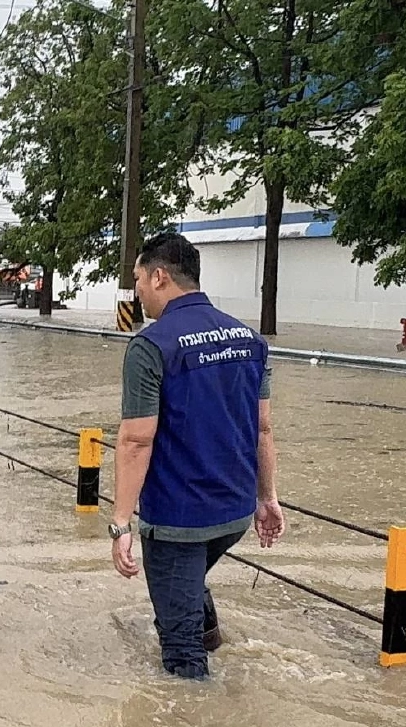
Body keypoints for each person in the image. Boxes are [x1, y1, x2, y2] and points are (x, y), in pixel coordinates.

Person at [110, 232, 284, 679]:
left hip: (178, 519)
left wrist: (121, 524)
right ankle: (209, 633)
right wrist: (268, 498)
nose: (138, 292)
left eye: (139, 280)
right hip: (234, 514)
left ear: (160, 276)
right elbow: (262, 427)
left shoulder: (151, 346)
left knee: (180, 651)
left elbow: (135, 441)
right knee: (185, 587)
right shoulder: (249, 340)